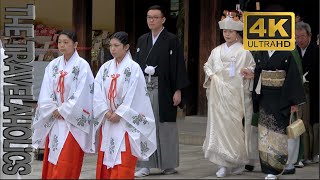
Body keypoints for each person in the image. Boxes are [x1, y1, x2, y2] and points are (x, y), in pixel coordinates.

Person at [134, 5, 190, 177]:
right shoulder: (142, 40)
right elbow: (136, 66)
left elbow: (178, 66)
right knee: (144, 124)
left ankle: (168, 164)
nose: (151, 20)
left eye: (155, 17)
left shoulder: (171, 39)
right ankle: (145, 164)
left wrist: (178, 90)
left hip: (164, 88)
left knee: (165, 126)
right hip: (144, 87)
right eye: (149, 17)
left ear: (163, 20)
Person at [32, 30, 96, 179]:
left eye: (66, 42)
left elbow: (83, 93)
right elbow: (46, 90)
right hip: (54, 118)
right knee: (53, 156)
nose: (62, 45)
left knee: (68, 159)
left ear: (75, 45)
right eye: (60, 42)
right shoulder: (53, 65)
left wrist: (64, 110)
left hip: (72, 121)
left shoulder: (82, 66)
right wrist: (53, 108)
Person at [93, 31, 157, 179]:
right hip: (108, 119)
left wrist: (120, 113)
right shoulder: (105, 68)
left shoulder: (133, 68)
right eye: (111, 46)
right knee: (105, 158)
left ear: (126, 47)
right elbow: (97, 91)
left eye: (116, 45)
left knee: (124, 160)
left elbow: (135, 95)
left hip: (125, 122)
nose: (113, 49)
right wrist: (105, 111)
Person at [203, 13, 257, 178]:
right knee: (219, 128)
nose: (227, 34)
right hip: (218, 96)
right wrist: (212, 75)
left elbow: (253, 67)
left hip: (236, 96)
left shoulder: (244, 51)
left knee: (236, 129)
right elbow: (207, 65)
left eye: (231, 31)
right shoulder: (216, 50)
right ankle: (223, 164)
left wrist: (249, 72)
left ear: (237, 33)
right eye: (225, 31)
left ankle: (238, 161)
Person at [252, 47, 306, 179]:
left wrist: (293, 101)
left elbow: (293, 77)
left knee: (278, 132)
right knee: (264, 132)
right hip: (265, 97)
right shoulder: (261, 52)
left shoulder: (287, 52)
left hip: (281, 98)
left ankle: (275, 169)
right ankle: (267, 168)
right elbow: (258, 73)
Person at [295, 21, 319, 165]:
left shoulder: (316, 51)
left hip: (313, 91)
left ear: (309, 35)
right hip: (299, 92)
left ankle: (313, 153)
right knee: (302, 123)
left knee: (312, 124)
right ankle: (303, 154)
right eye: (297, 37)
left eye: (302, 36)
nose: (299, 40)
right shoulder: (294, 51)